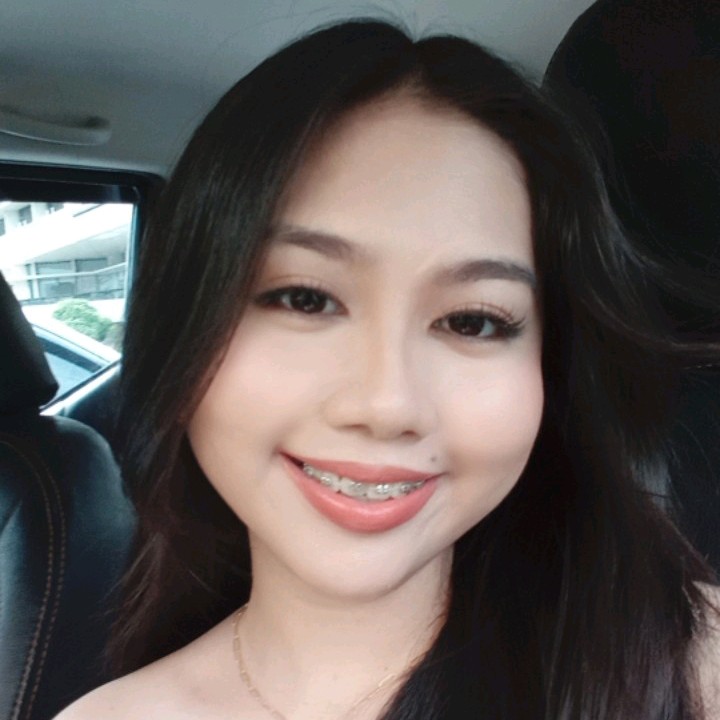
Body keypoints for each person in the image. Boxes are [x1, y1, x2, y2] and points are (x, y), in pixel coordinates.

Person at [56, 19, 720, 720]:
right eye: (305, 298)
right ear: (183, 325)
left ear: (548, 371)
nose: (387, 404)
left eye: (473, 321)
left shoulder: (691, 664)